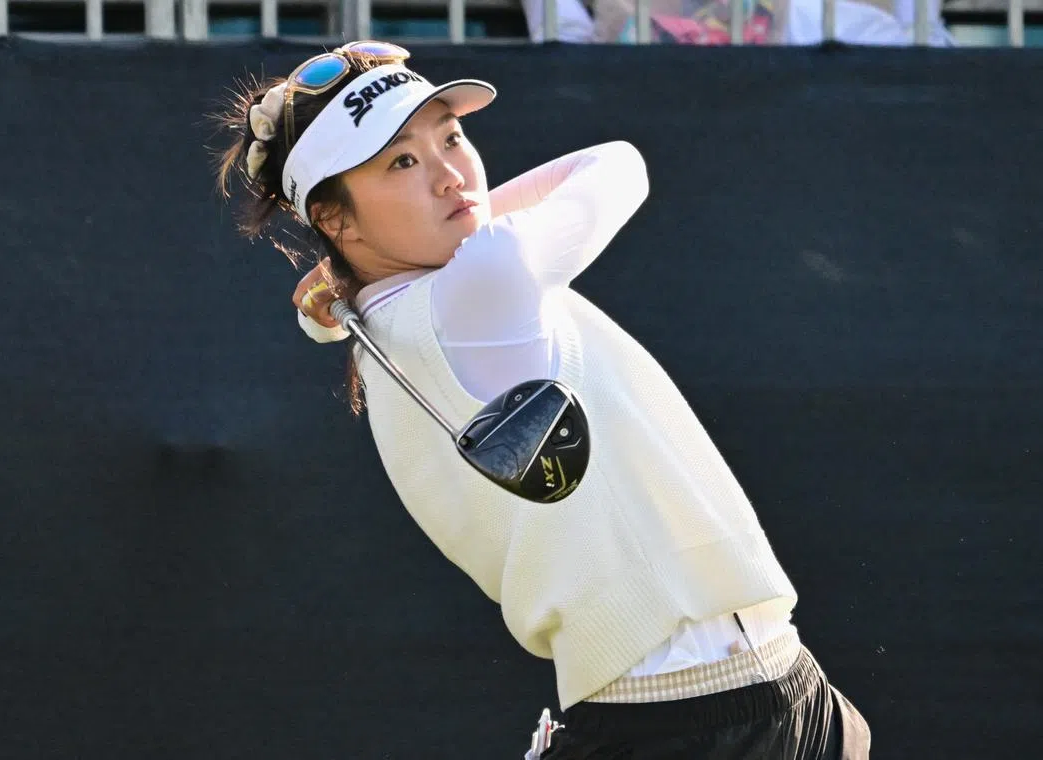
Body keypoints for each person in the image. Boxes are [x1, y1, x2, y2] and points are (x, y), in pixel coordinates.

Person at [211, 40, 872, 759]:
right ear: (336, 221)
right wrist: (429, 238)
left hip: (708, 706)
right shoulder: (482, 279)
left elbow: (360, 290)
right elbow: (616, 165)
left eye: (452, 137)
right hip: (718, 716)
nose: (451, 175)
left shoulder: (377, 322)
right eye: (402, 161)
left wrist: (342, 272)